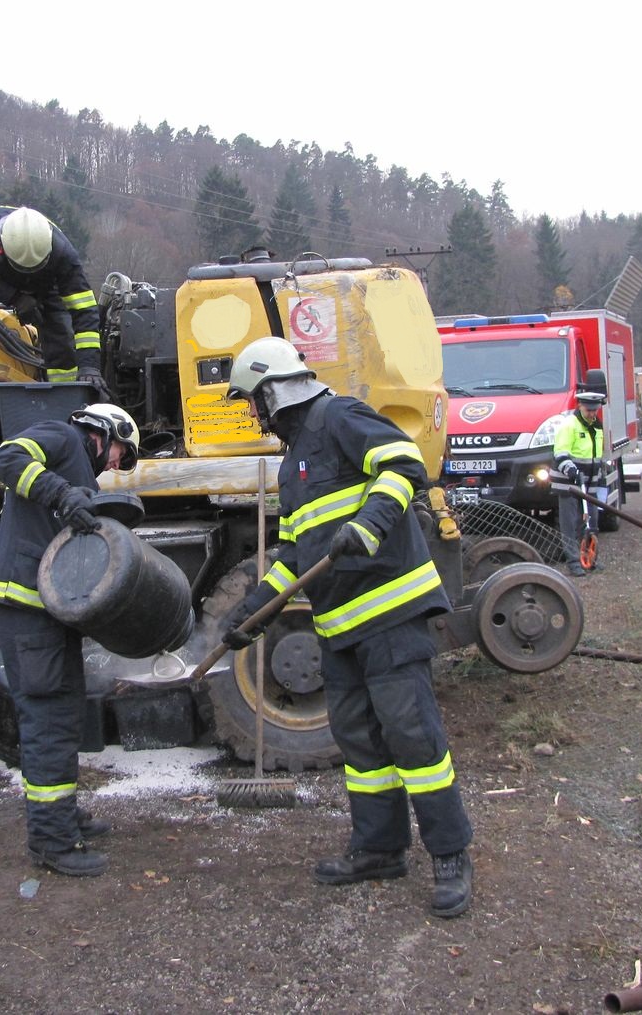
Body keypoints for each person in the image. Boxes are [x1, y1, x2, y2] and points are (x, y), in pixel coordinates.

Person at [221, 336, 475, 918]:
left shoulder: (339, 417)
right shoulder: (291, 467)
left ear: (273, 390)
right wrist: (252, 613)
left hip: (390, 615)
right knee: (360, 744)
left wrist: (371, 522)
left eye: (253, 400)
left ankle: (450, 854)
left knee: (412, 736)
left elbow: (403, 463)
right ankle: (379, 849)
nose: (254, 413)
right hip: (339, 629)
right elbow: (294, 554)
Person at [0, 402, 140, 876]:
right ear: (104, 431)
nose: (115, 465)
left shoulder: (82, 476)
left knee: (67, 714)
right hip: (27, 612)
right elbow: (6, 459)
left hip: (51, 615)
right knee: (48, 721)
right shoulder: (61, 435)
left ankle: (63, 815)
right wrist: (61, 494)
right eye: (120, 452)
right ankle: (51, 841)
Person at [0, 206, 105, 414]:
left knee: (62, 333)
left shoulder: (63, 255)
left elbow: (85, 310)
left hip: (46, 285)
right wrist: (15, 297)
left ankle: (66, 401)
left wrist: (89, 366)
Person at [552, 390, 608, 577]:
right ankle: (574, 562)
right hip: (568, 483)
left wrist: (600, 475)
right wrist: (571, 471)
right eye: (588, 410)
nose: (592, 414)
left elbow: (596, 455)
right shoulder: (569, 425)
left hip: (589, 483)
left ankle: (590, 559)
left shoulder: (597, 426)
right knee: (570, 524)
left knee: (591, 522)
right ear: (580, 406)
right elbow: (560, 452)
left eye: (595, 410)